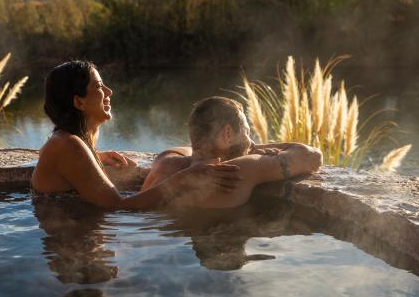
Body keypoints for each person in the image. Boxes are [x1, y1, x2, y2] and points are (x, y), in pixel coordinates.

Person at [31, 61, 243, 209]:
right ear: (79, 102)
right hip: (70, 243)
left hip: (74, 233)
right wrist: (186, 178)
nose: (109, 92)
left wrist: (94, 155)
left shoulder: (69, 143)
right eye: (98, 86)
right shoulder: (68, 145)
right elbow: (119, 206)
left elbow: (49, 157)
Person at [141, 96, 322, 208]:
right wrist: (254, 150)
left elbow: (194, 150)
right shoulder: (239, 169)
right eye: (247, 132)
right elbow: (312, 157)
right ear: (228, 133)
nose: (252, 142)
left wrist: (246, 146)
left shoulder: (166, 160)